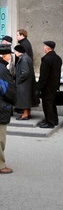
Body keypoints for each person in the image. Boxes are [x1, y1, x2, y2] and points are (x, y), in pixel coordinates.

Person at [37, 41, 62, 129]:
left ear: (48, 48)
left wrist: (39, 87)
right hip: (54, 85)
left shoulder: (47, 59)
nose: (43, 48)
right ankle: (54, 120)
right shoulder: (58, 58)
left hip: (47, 86)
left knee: (47, 104)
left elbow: (44, 75)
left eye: (44, 46)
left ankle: (50, 122)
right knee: (52, 103)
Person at [0, 45, 16, 174]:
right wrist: (13, 100)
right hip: (1, 107)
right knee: (0, 139)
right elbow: (7, 90)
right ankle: (0, 165)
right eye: (9, 54)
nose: (10, 56)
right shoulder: (2, 70)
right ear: (3, 56)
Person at [14, 45, 37, 120]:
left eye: (15, 51)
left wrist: (19, 80)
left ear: (19, 52)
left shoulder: (23, 59)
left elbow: (25, 72)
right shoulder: (26, 57)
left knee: (24, 99)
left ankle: (25, 115)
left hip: (24, 84)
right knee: (27, 99)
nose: (15, 53)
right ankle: (27, 113)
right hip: (27, 83)